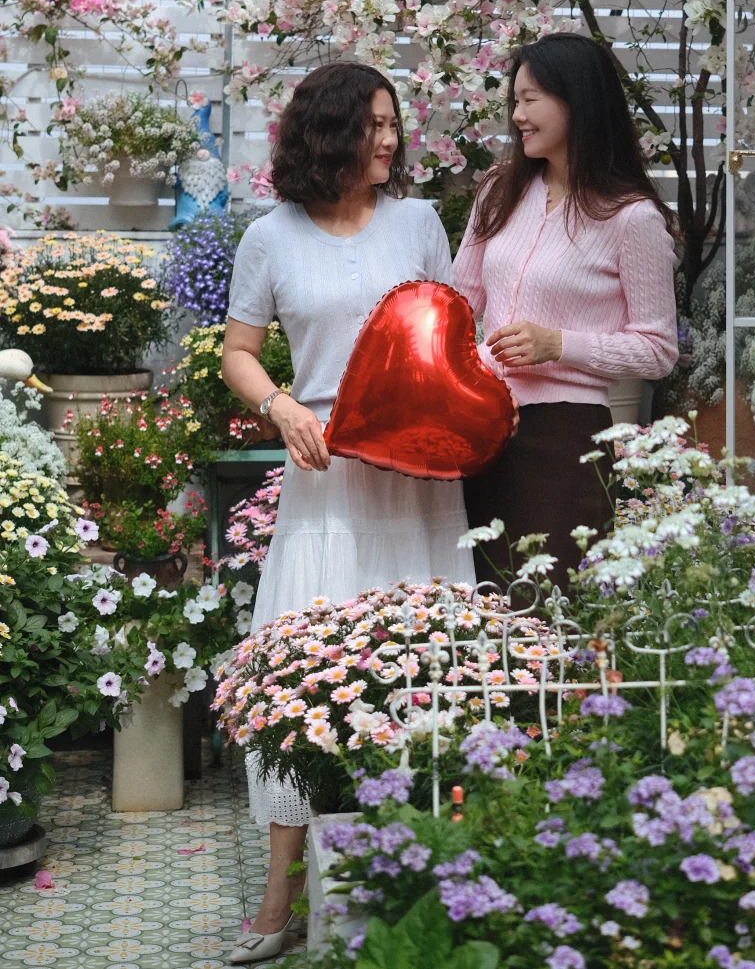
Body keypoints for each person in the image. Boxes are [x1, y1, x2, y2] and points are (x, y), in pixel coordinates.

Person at [221, 61, 474, 964]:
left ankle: (427, 884)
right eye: (374, 123)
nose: (391, 139)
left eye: (394, 123)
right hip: (324, 472)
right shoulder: (270, 236)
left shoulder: (419, 222)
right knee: (299, 673)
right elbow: (238, 352)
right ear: (329, 132)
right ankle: (279, 897)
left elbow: (455, 338)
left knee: (427, 672)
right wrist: (281, 405)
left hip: (418, 482)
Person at [453, 33, 678, 590]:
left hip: (563, 437)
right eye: (515, 100)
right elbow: (458, 304)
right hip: (476, 428)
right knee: (471, 605)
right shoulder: (498, 190)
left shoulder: (631, 218)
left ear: (576, 101)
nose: (517, 115)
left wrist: (559, 344)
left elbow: (658, 350)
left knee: (542, 609)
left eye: (530, 99)